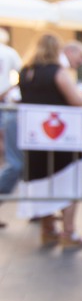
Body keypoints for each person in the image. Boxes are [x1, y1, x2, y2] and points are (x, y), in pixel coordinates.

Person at [16, 34, 82, 249]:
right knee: (70, 183)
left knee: (43, 184)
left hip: (36, 140)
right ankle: (69, 232)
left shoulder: (26, 72)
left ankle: (48, 229)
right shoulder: (57, 72)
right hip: (62, 141)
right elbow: (77, 100)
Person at [0, 26, 23, 210]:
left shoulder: (8, 53)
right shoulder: (9, 53)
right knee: (14, 162)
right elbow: (21, 74)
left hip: (6, 104)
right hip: (6, 103)